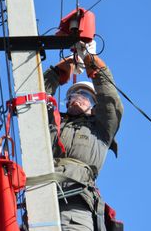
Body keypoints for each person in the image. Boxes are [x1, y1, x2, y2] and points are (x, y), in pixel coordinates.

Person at [43, 41, 124, 231]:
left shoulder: (101, 130)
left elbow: (111, 102)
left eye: (84, 96)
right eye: (73, 94)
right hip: (40, 200)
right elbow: (34, 101)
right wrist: (56, 73)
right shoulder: (55, 125)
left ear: (94, 106)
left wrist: (91, 60)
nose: (77, 97)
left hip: (76, 206)